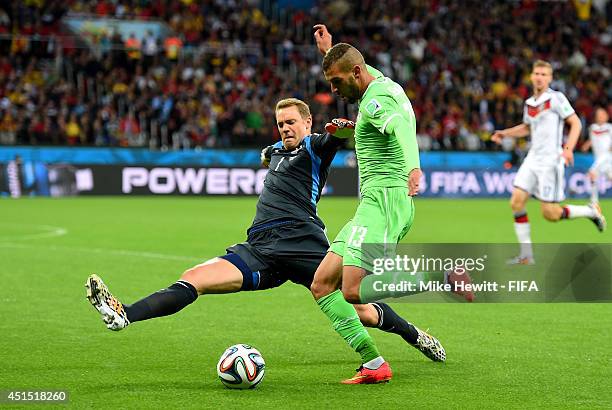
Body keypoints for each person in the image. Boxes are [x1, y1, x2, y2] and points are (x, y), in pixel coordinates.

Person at [85, 98, 443, 380]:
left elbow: (339, 138)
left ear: (307, 123)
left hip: (303, 244)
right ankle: (125, 315)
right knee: (195, 277)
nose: (286, 128)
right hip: (259, 249)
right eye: (281, 123)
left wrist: (341, 130)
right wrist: (270, 151)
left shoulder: (316, 147)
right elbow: (271, 152)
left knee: (362, 309)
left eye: (292, 122)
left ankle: (415, 335)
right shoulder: (274, 152)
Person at [308, 24, 453, 385]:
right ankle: (374, 363)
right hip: (372, 204)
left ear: (356, 73)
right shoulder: (381, 86)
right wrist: (328, 51)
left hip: (386, 200)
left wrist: (414, 166)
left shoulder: (375, 100)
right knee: (323, 284)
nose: (333, 90)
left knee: (352, 289)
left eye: (337, 82)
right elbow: (354, 72)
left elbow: (401, 127)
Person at [491, 60, 606, 265]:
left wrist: (568, 149)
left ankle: (591, 211)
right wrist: (505, 133)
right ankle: (526, 256)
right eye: (537, 73)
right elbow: (527, 128)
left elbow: (576, 122)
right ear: (531, 76)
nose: (539, 77)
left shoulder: (556, 98)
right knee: (516, 202)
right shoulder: (529, 103)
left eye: (544, 74)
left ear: (550, 78)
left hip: (550, 162)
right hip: (533, 158)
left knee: (550, 214)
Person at [581, 107, 611, 204]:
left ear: (607, 116)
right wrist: (587, 144)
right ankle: (594, 201)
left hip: (607, 157)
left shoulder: (609, 127)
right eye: (598, 115)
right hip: (598, 158)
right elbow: (593, 139)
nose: (600, 116)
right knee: (596, 177)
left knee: (592, 172)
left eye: (602, 114)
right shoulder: (592, 128)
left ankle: (593, 201)